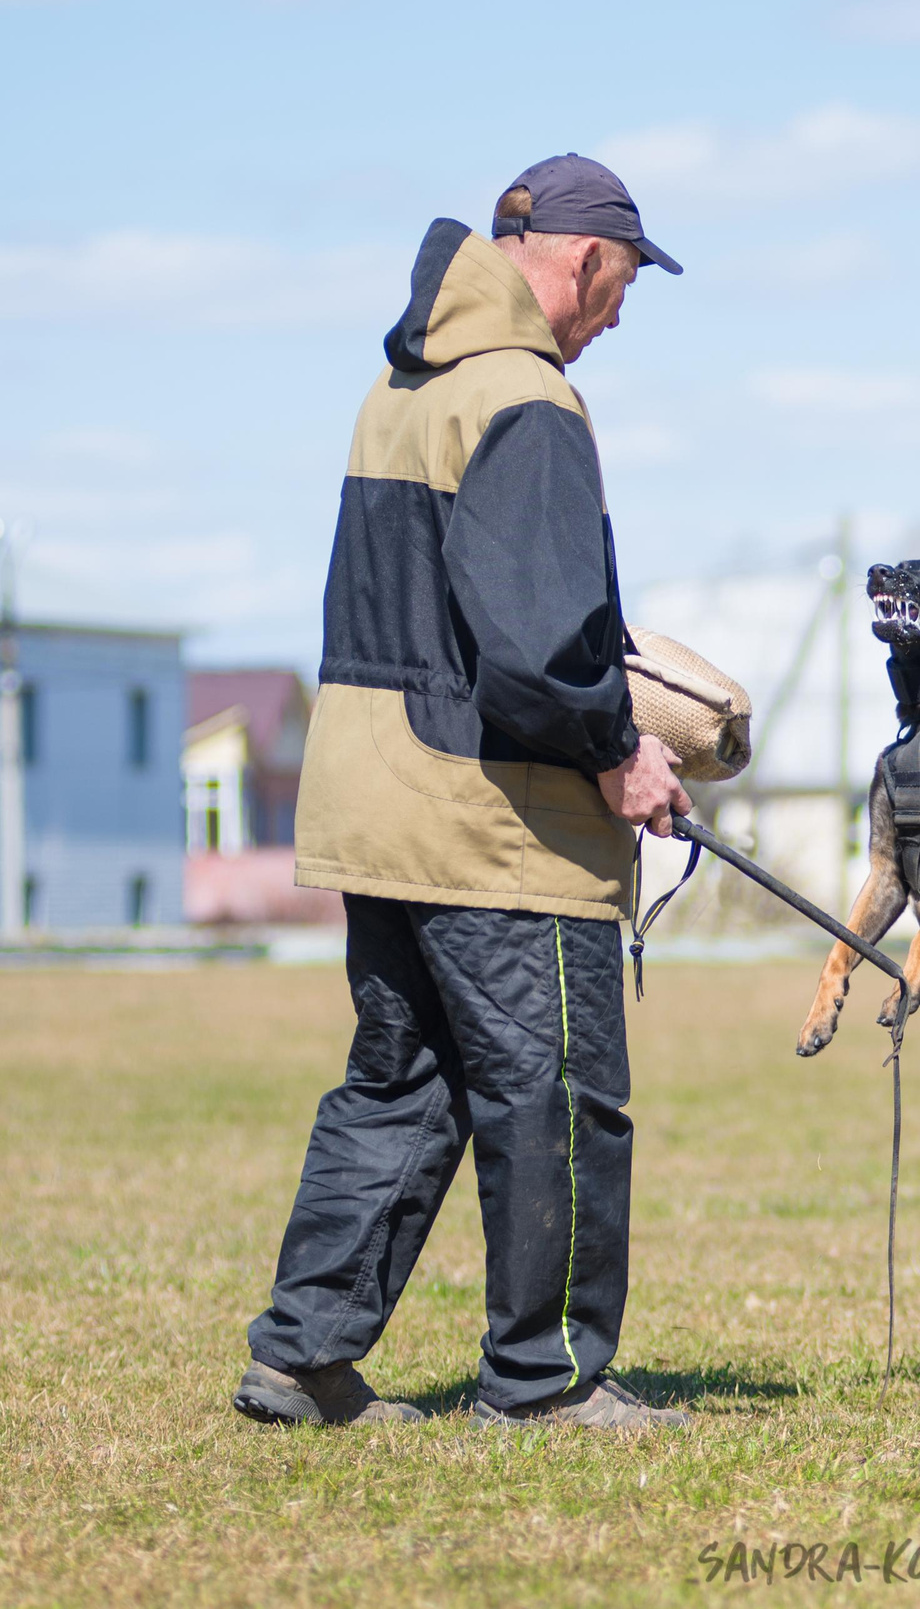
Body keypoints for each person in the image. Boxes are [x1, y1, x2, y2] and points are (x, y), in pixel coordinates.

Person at [231, 155, 694, 1432]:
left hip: (374, 801)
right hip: (494, 824)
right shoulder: (525, 399)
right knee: (555, 1095)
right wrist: (621, 751)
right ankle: (545, 1380)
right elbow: (539, 644)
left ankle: (303, 1356)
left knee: (402, 1082)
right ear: (585, 260)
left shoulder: (402, 384)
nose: (616, 320)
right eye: (620, 290)